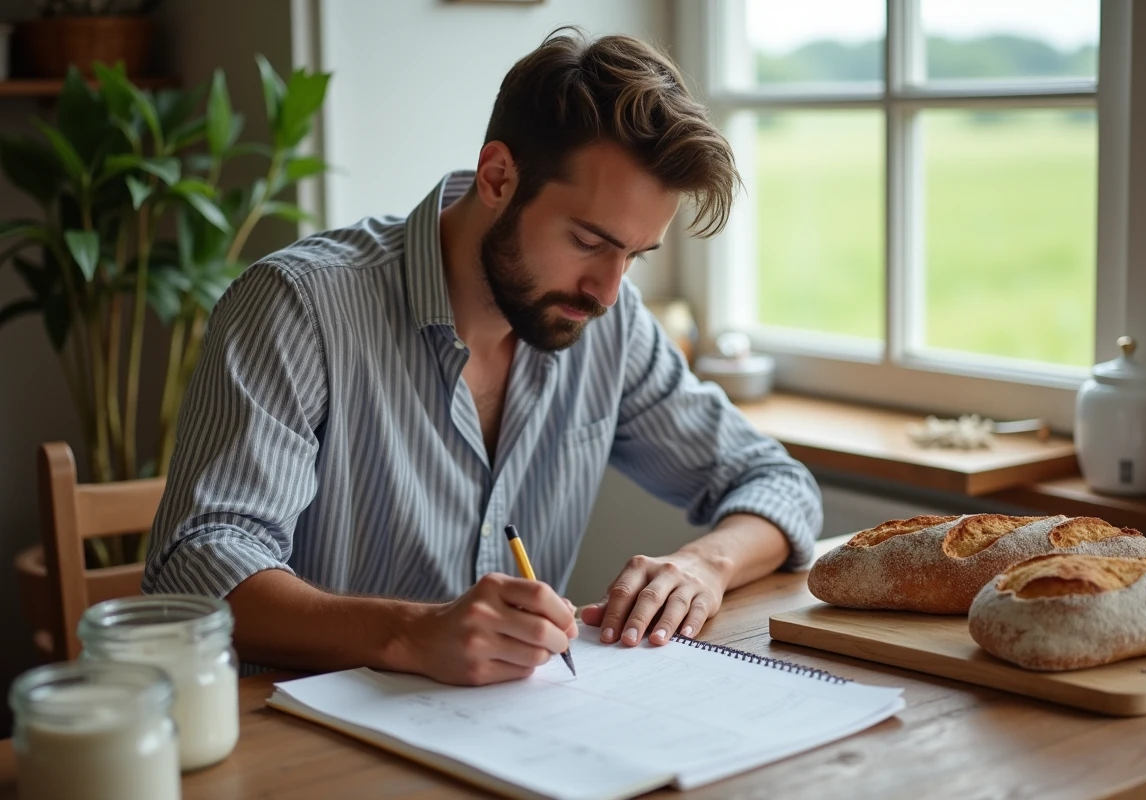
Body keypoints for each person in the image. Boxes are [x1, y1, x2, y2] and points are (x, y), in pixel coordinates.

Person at [142, 27, 822, 686]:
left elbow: (775, 482)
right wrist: (412, 633)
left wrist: (705, 565)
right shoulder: (299, 307)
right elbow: (198, 569)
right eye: (588, 241)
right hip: (302, 750)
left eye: (635, 255)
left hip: (509, 743)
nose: (609, 291)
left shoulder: (607, 326)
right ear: (498, 176)